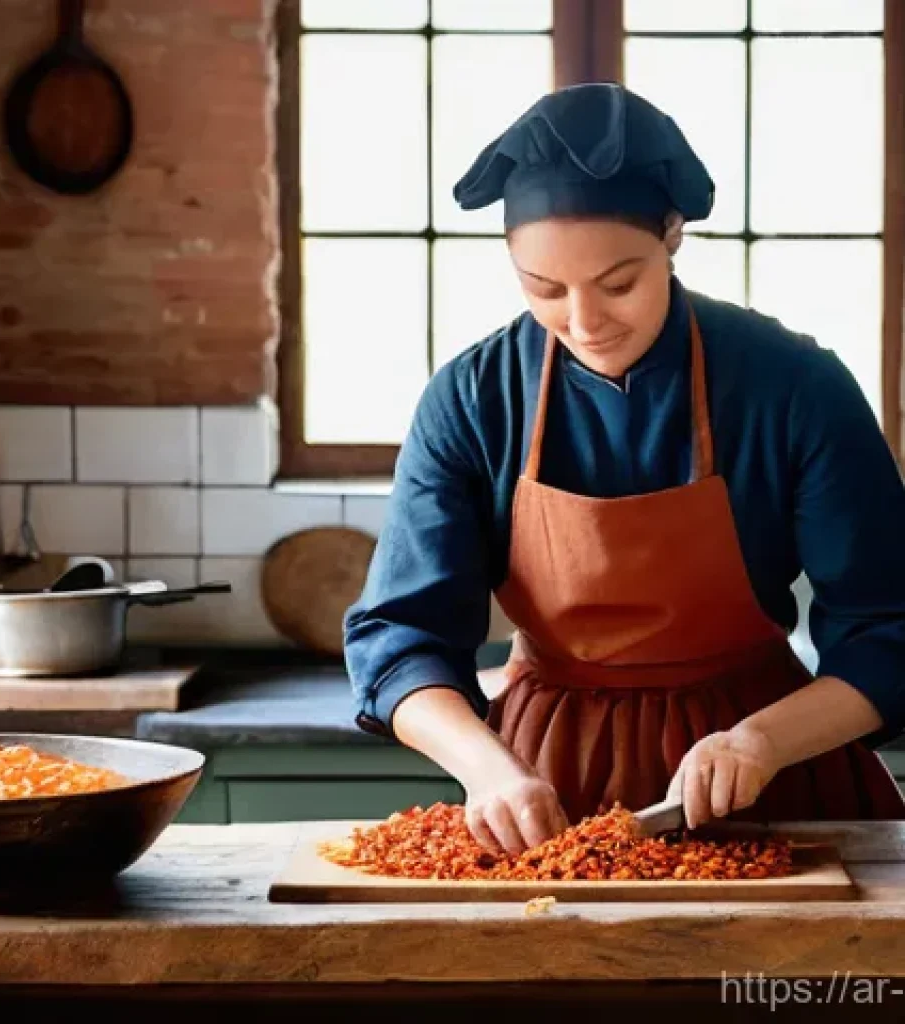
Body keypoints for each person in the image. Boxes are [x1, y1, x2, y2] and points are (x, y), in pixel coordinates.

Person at [343, 83, 905, 856]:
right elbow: (400, 637)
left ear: (672, 234)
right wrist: (486, 770)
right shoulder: (471, 399)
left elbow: (888, 628)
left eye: (619, 283)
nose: (583, 321)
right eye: (543, 289)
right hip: (546, 777)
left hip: (769, 769)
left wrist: (763, 743)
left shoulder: (796, 386)